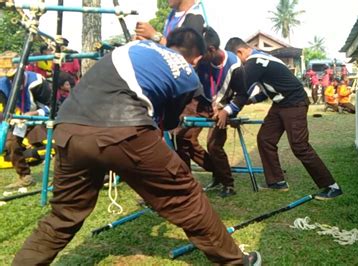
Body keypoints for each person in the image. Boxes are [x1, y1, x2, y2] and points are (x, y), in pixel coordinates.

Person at [12, 28, 261, 265]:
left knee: (64, 214)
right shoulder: (187, 72)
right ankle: (236, 261)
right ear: (196, 58)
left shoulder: (131, 47)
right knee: (186, 196)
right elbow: (170, 122)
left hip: (69, 128)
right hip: (125, 128)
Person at [225, 37, 343, 200]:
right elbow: (270, 87)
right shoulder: (261, 60)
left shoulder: (256, 61)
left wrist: (226, 109)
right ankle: (276, 182)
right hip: (280, 104)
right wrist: (253, 100)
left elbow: (242, 88)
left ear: (240, 52)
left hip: (294, 103)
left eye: (235, 60)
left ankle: (331, 186)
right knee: (265, 139)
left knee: (299, 146)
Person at [184, 27, 247, 197]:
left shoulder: (235, 66)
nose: (195, 59)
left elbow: (242, 95)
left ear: (211, 50)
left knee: (214, 146)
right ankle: (212, 174)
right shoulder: (201, 62)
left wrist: (226, 110)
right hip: (202, 102)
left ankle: (228, 184)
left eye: (198, 54)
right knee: (183, 138)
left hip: (224, 107)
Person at [0, 70, 51, 189]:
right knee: (11, 142)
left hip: (43, 117)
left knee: (59, 142)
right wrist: (11, 118)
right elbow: (6, 110)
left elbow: (53, 105)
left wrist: (35, 113)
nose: (12, 80)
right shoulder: (3, 85)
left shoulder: (37, 82)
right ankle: (25, 176)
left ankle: (64, 175)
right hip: (20, 120)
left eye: (15, 76)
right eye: (10, 78)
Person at [135, 0, 205, 45]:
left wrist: (154, 35)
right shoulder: (171, 16)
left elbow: (183, 55)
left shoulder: (195, 17)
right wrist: (147, 41)